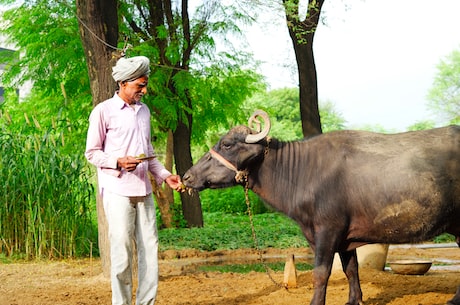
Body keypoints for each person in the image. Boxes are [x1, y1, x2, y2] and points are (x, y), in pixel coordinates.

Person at [85, 55, 183, 305]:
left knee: (150, 251)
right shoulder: (103, 111)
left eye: (145, 84)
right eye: (140, 85)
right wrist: (118, 161)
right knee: (122, 254)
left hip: (144, 190)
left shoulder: (144, 111)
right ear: (124, 83)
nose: (144, 90)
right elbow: (92, 153)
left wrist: (165, 175)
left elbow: (148, 153)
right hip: (118, 190)